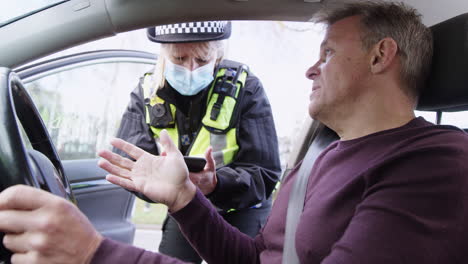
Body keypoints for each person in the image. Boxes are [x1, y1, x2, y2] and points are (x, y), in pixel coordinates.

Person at [2, 1, 468, 264]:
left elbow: (261, 173)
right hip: (195, 209)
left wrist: (95, 254)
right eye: (179, 60)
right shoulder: (321, 157)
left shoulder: (436, 164)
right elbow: (255, 261)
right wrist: (185, 197)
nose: (310, 69)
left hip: (239, 205)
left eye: (326, 53)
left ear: (379, 56)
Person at [114, 21, 281, 263]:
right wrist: (161, 186)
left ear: (218, 55)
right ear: (163, 56)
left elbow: (264, 172)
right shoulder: (146, 92)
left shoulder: (246, 88)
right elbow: (132, 163)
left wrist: (216, 184)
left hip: (243, 209)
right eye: (179, 59)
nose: (190, 69)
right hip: (184, 203)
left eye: (202, 60)